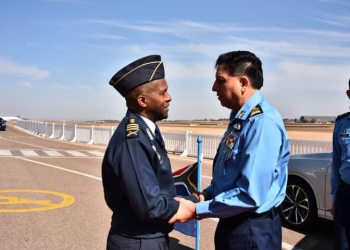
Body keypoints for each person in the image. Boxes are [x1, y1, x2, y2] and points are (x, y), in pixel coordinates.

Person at [170, 50, 290, 249]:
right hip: (234, 220)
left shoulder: (261, 123)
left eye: (220, 80)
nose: (214, 87)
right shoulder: (240, 118)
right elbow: (231, 174)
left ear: (243, 83)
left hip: (251, 228)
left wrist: (196, 209)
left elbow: (250, 195)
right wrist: (206, 195)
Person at [102, 55, 195, 250]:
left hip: (147, 238)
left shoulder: (146, 130)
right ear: (143, 100)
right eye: (163, 92)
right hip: (139, 242)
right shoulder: (134, 140)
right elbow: (149, 206)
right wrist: (185, 206)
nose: (169, 97)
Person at [331, 79, 350, 250]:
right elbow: (336, 161)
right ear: (349, 94)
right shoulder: (342, 123)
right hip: (346, 195)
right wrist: (335, 198)